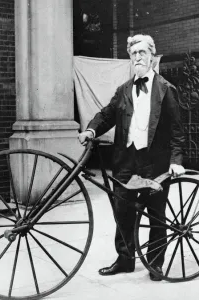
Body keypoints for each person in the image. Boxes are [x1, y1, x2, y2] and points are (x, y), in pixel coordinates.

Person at [78, 34, 185, 281]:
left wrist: (176, 162)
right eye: (134, 53)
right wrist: (91, 130)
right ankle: (125, 260)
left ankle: (155, 263)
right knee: (122, 211)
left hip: (155, 163)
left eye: (142, 53)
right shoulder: (124, 89)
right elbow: (106, 115)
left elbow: (178, 132)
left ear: (151, 57)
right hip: (126, 161)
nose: (138, 57)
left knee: (156, 214)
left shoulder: (166, 90)